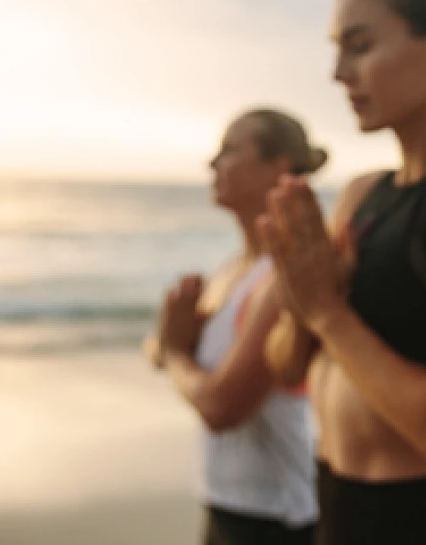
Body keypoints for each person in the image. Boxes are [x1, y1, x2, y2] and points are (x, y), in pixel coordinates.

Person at [260, 0, 426, 545]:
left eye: (359, 46)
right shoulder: (360, 195)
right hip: (333, 501)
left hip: (423, 519)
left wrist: (328, 314)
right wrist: (299, 298)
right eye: (337, 50)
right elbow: (287, 367)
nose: (339, 73)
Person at [146, 108, 327, 545]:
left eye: (228, 150)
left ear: (277, 167)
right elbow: (159, 348)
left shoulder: (282, 277)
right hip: (225, 504)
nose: (213, 164)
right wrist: (171, 344)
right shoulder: (231, 272)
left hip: (277, 520)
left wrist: (174, 352)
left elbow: (221, 407)